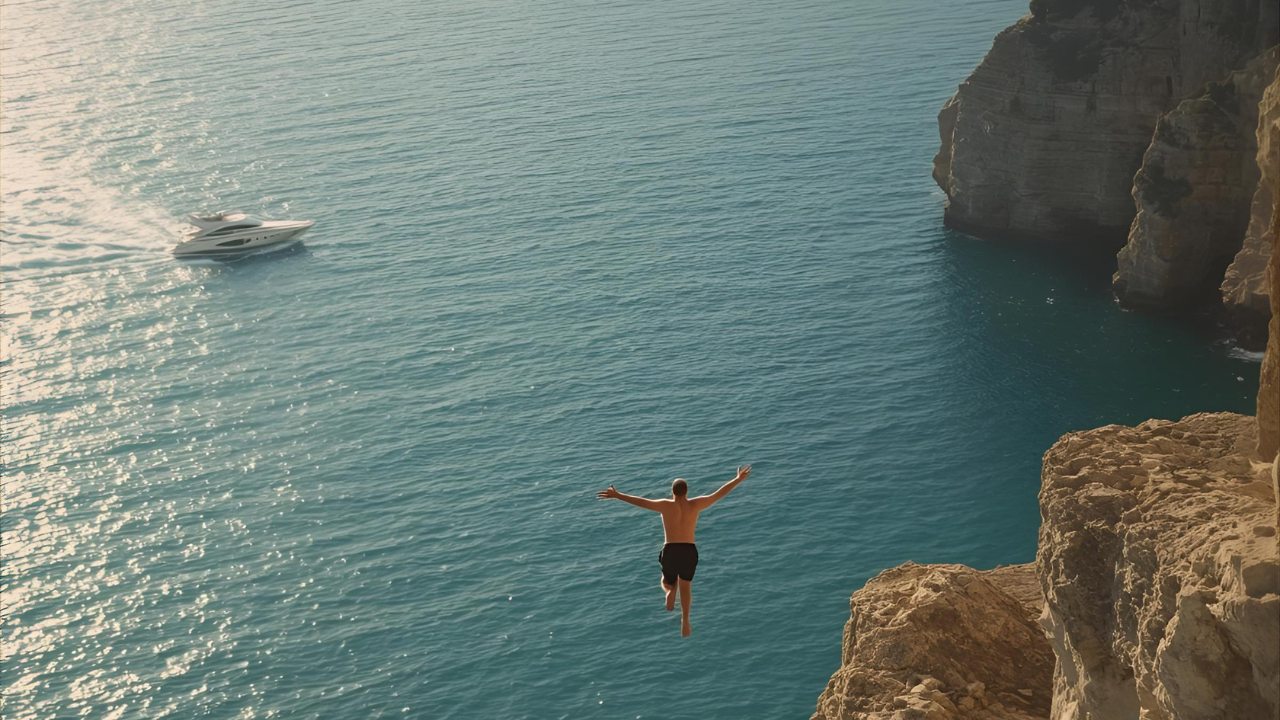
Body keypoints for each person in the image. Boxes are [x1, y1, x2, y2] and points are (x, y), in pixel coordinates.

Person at [596, 465, 752, 637]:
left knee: (666, 581)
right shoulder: (696, 504)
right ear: (687, 492)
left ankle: (670, 591)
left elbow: (641, 502)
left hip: (670, 549)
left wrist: (618, 495)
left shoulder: (665, 505)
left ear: (672, 492)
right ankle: (685, 621)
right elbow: (719, 494)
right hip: (689, 550)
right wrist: (738, 479)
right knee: (686, 587)